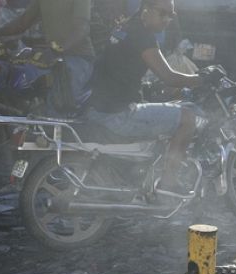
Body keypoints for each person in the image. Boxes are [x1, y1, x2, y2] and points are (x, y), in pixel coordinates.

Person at [84, 0, 218, 199]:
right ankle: (168, 183)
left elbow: (121, 71)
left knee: (171, 109)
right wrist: (202, 79)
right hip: (118, 114)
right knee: (187, 119)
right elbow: (169, 77)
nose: (167, 20)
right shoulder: (143, 36)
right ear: (145, 10)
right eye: (162, 13)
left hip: (101, 106)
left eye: (171, 15)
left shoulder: (125, 27)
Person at [0, 0, 95, 108]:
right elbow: (23, 22)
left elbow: (82, 28)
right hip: (53, 56)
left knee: (57, 104)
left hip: (77, 56)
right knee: (18, 83)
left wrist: (59, 49)